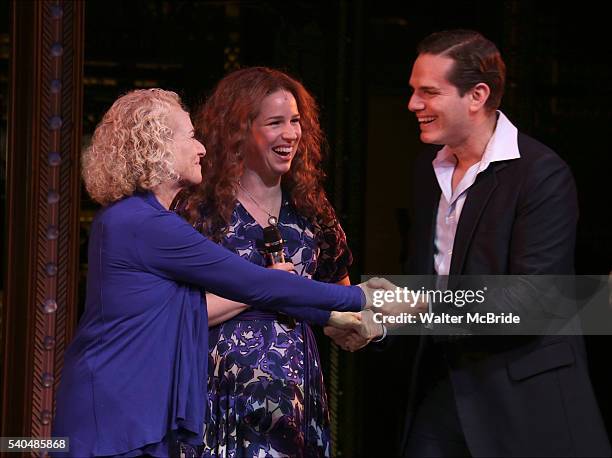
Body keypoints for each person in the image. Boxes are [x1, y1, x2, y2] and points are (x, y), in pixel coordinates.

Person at [328, 29, 611, 457]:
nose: (413, 105)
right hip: (442, 391)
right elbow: (423, 283)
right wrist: (376, 323)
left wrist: (425, 307)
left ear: (477, 95)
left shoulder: (541, 174)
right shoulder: (428, 171)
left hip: (522, 399)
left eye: (428, 92)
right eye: (412, 91)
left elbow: (535, 301)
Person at [51, 88, 376, 457]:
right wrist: (367, 296)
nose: (202, 148)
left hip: (131, 410)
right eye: (190, 137)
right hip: (114, 417)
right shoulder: (145, 224)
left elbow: (207, 302)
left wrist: (333, 312)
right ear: (158, 147)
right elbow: (258, 284)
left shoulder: (130, 219)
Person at [177, 66, 355, 457]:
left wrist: (350, 325)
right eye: (276, 122)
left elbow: (337, 294)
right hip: (221, 397)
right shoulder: (200, 211)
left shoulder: (311, 208)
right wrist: (263, 286)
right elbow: (174, 314)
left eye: (295, 121)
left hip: (295, 396)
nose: (291, 133)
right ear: (240, 131)